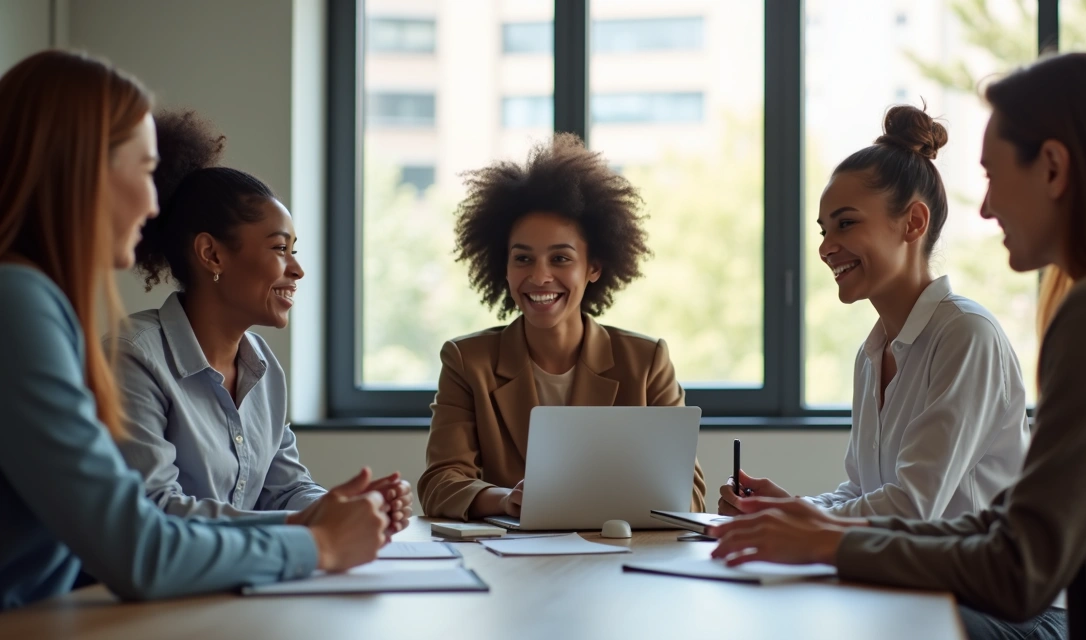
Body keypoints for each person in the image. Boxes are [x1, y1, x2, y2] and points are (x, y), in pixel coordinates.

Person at [708, 52, 1086, 640]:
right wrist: (817, 529)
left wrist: (830, 540)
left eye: (994, 176)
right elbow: (1003, 524)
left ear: (1052, 168)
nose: (985, 206)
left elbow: (1017, 565)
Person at [0, 50, 386, 611]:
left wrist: (320, 519)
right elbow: (139, 546)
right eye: (143, 170)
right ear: (81, 168)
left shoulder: (34, 300)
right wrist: (318, 543)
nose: (154, 202)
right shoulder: (20, 305)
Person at [718, 104, 1031, 525]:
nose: (826, 247)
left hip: (966, 588)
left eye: (845, 224)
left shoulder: (966, 335)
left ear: (913, 223)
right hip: (897, 579)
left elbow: (912, 506)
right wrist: (787, 508)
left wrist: (796, 519)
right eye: (823, 230)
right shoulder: (873, 352)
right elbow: (863, 493)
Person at [105, 110, 409, 534]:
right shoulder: (133, 357)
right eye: (280, 248)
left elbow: (285, 490)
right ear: (212, 255)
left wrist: (344, 505)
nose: (297, 270)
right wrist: (309, 522)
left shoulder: (262, 368)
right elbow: (156, 510)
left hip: (240, 583)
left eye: (295, 250)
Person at [419, 134, 707, 520]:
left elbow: (689, 497)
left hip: (618, 563)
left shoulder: (647, 362)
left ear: (593, 267)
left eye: (560, 258)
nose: (539, 277)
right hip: (508, 567)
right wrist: (505, 499)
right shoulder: (467, 362)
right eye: (522, 258)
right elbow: (440, 484)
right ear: (502, 267)